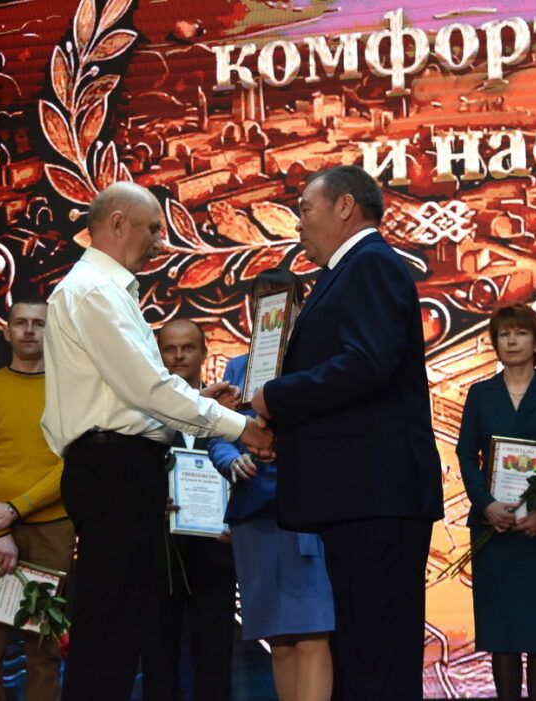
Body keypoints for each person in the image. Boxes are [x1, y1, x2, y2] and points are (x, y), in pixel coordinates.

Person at [40, 181, 275, 701]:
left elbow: (132, 394)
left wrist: (197, 403)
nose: (160, 242)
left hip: (120, 466)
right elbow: (147, 389)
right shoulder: (94, 291)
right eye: (152, 229)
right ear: (117, 223)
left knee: (119, 632)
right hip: (113, 469)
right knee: (108, 635)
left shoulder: (103, 290)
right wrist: (240, 426)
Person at [251, 165, 443, 701]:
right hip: (358, 497)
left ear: (344, 207)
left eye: (304, 210)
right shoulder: (350, 270)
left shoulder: (370, 264)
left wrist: (276, 398)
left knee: (378, 656)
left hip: (375, 494)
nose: (297, 225)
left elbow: (366, 364)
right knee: (362, 653)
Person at [209, 268, 335, 701]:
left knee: (313, 631)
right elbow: (219, 436)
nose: (272, 311)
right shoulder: (238, 368)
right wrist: (234, 460)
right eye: (261, 301)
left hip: (308, 513)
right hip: (254, 516)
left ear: (299, 305)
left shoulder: (316, 365)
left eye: (282, 299)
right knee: (278, 638)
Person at [456, 303, 536, 701]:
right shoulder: (480, 394)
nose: (511, 341)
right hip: (494, 528)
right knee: (502, 632)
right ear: (495, 342)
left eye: (520, 333)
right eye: (504, 334)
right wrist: (485, 504)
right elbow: (465, 454)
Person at [0, 298, 75, 700]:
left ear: (51, 332)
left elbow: (70, 464)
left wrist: (15, 508)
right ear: (6, 332)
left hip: (51, 530)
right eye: (21, 322)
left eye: (39, 323)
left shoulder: (69, 394)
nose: (29, 330)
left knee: (44, 650)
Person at [140, 318, 237, 701]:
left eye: (188, 347)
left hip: (216, 548)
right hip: (159, 550)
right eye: (170, 348)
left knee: (215, 655)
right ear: (158, 354)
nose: (179, 355)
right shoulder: (141, 412)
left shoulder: (226, 409)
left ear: (204, 352)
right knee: (158, 656)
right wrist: (149, 499)